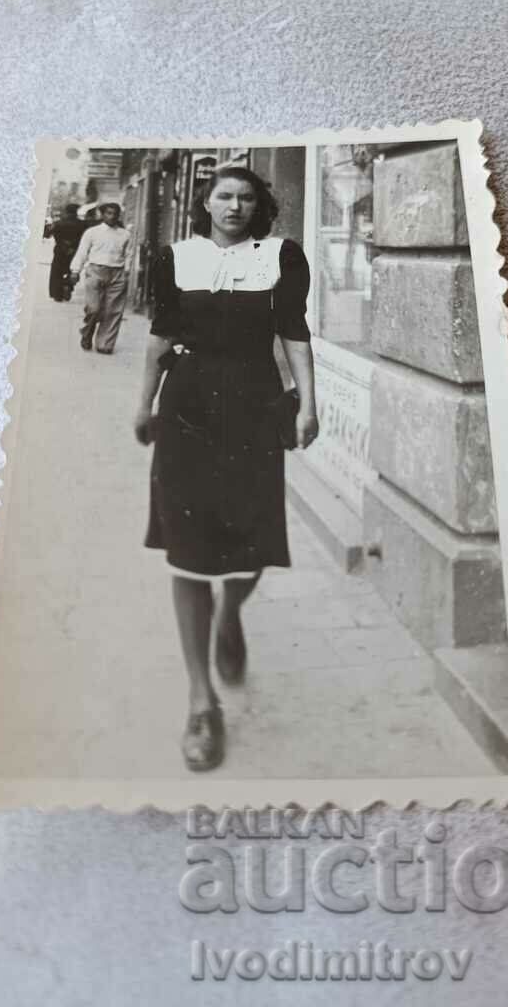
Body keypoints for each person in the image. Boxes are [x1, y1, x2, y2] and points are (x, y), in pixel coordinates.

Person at [134, 166, 319, 772]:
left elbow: (293, 333)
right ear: (206, 203)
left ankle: (231, 611)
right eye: (224, 196)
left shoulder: (281, 258)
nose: (234, 206)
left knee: (251, 544)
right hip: (187, 410)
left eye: (245, 197)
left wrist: (309, 404)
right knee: (185, 551)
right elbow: (160, 337)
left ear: (258, 206)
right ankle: (200, 702)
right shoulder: (175, 258)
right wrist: (143, 404)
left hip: (253, 409)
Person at [69, 202, 131, 353]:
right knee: (94, 308)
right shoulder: (92, 232)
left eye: (115, 214)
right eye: (109, 213)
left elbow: (129, 254)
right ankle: (87, 332)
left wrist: (127, 272)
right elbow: (82, 252)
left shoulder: (125, 234)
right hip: (95, 270)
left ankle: (105, 344)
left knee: (113, 311)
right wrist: (75, 270)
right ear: (102, 215)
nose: (112, 216)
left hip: (117, 273)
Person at [48, 203, 86, 302]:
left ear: (66, 211)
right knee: (73, 270)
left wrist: (65, 245)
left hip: (60, 250)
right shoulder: (82, 224)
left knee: (57, 272)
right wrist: (72, 246)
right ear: (76, 212)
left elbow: (56, 237)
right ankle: (68, 285)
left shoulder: (59, 223)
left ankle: (57, 294)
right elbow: (83, 238)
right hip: (75, 250)